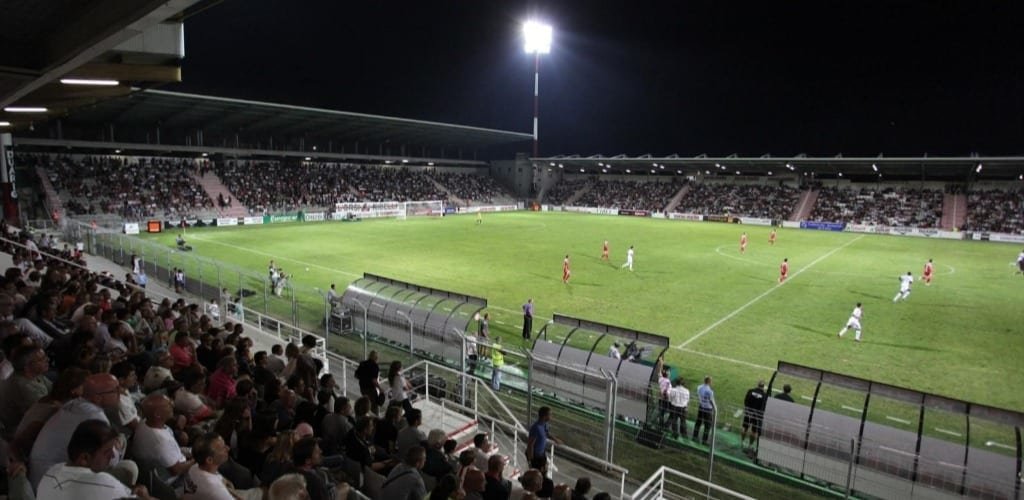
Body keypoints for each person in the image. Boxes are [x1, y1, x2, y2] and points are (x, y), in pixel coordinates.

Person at [36, 420, 151, 500]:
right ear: (84, 458)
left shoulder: (51, 471)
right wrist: (145, 496)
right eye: (107, 452)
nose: (112, 455)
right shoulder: (104, 483)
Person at [183, 432, 263, 499]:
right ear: (209, 460)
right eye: (222, 448)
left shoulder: (194, 468)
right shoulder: (215, 489)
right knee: (262, 493)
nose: (228, 448)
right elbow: (218, 489)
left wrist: (227, 485)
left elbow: (219, 479)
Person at [740, 381, 767, 451]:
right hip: (757, 415)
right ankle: (750, 445)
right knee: (754, 431)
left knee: (744, 427)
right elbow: (763, 406)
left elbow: (745, 401)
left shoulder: (750, 391)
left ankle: (742, 442)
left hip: (748, 412)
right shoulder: (764, 395)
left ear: (757, 385)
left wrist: (747, 409)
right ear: (763, 387)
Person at [691, 376, 715, 446]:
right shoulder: (710, 391)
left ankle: (694, 436)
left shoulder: (699, 387)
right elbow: (711, 401)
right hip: (708, 409)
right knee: (707, 425)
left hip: (701, 407)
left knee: (698, 422)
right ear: (710, 382)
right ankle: (704, 441)